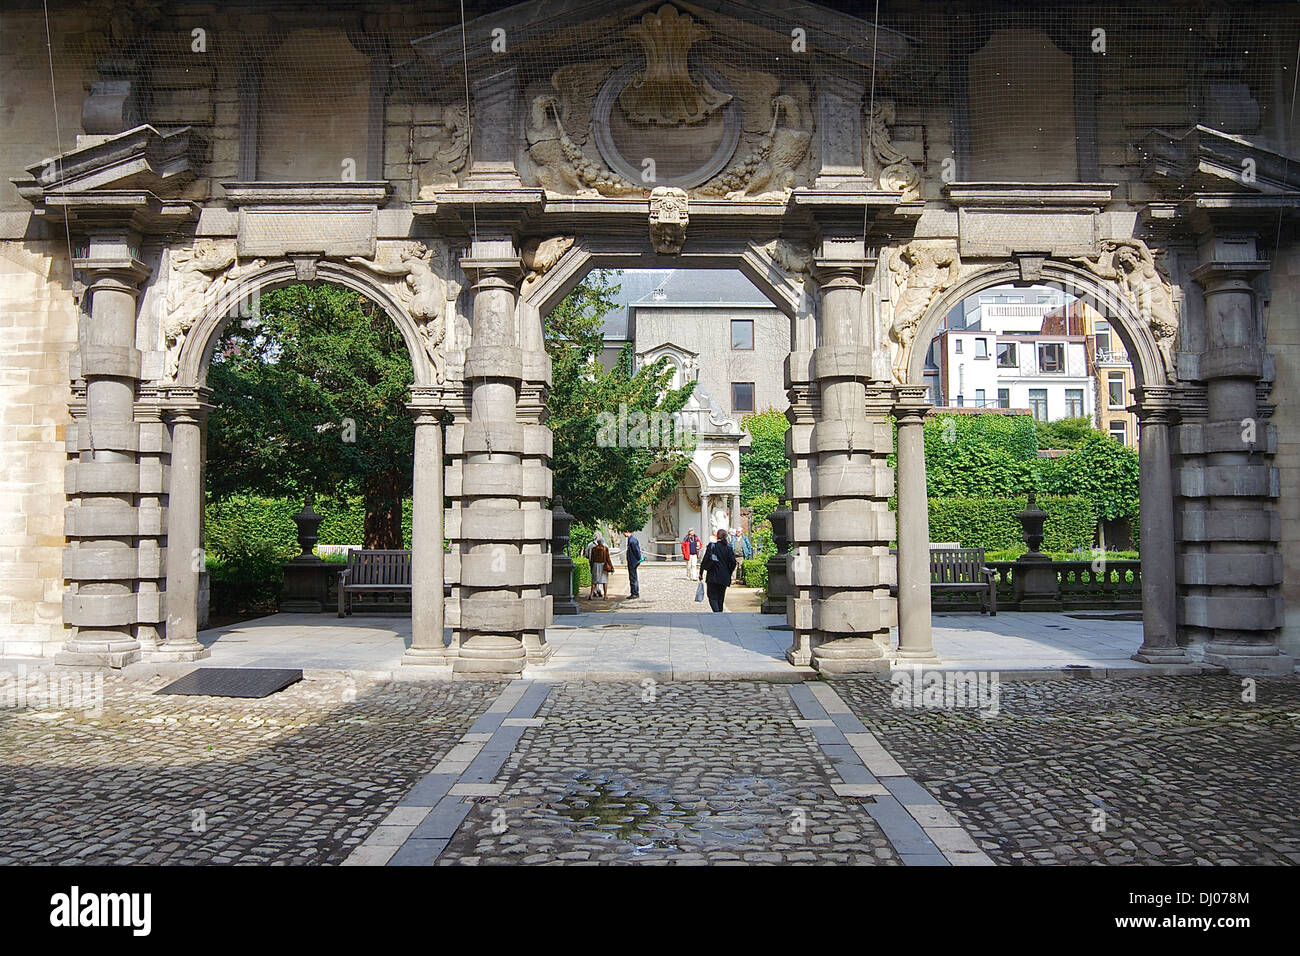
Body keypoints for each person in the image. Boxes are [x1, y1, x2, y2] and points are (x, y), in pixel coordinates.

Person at [699, 528, 737, 612]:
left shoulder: (712, 546)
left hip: (713, 576)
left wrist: (701, 573)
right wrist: (728, 572)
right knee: (721, 596)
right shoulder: (728, 548)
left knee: (712, 596)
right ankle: (720, 612)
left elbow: (705, 561)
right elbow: (733, 562)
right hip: (724, 577)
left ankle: (717, 613)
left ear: (717, 536)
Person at [588, 533, 612, 599]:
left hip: (595, 565)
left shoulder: (594, 549)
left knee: (594, 581)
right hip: (603, 565)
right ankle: (605, 595)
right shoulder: (605, 548)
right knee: (604, 581)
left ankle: (591, 595)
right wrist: (611, 566)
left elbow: (592, 559)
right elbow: (608, 558)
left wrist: (591, 566)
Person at [623, 529, 642, 599]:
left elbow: (636, 551)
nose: (623, 534)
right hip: (632, 561)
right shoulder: (631, 539)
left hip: (633, 562)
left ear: (627, 531)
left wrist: (639, 560)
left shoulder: (632, 540)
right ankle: (634, 592)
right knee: (633, 577)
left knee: (633, 578)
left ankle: (635, 593)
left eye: (624, 532)